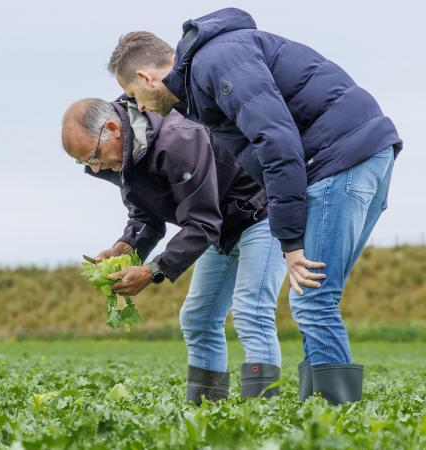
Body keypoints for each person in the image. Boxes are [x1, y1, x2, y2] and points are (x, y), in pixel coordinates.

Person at [107, 8, 403, 404]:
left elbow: (277, 145)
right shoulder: (203, 80)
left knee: (313, 298)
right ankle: (320, 414)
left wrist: (291, 241)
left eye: (133, 96)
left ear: (146, 78)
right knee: (316, 298)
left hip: (342, 159)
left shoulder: (217, 61)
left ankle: (341, 420)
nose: (138, 107)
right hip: (358, 154)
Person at [61, 97, 286, 403]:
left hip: (259, 214)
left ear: (112, 128)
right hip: (219, 229)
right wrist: (124, 247)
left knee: (251, 312)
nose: (97, 167)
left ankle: (265, 413)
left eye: (95, 156)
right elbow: (145, 216)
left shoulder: (177, 138)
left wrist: (154, 270)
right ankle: (208, 410)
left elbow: (202, 221)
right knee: (198, 319)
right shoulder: (121, 157)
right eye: (86, 163)